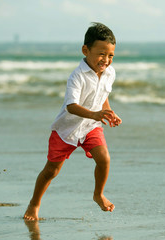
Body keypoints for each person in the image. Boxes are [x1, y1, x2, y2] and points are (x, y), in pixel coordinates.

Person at [24, 22, 122, 221]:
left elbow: (103, 95)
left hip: (90, 128)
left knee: (104, 159)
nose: (106, 60)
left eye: (110, 55)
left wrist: (109, 112)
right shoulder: (77, 76)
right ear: (86, 50)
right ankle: (34, 203)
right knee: (52, 170)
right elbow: (71, 106)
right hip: (66, 130)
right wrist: (95, 114)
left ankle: (98, 194)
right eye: (101, 53)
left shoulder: (110, 73)